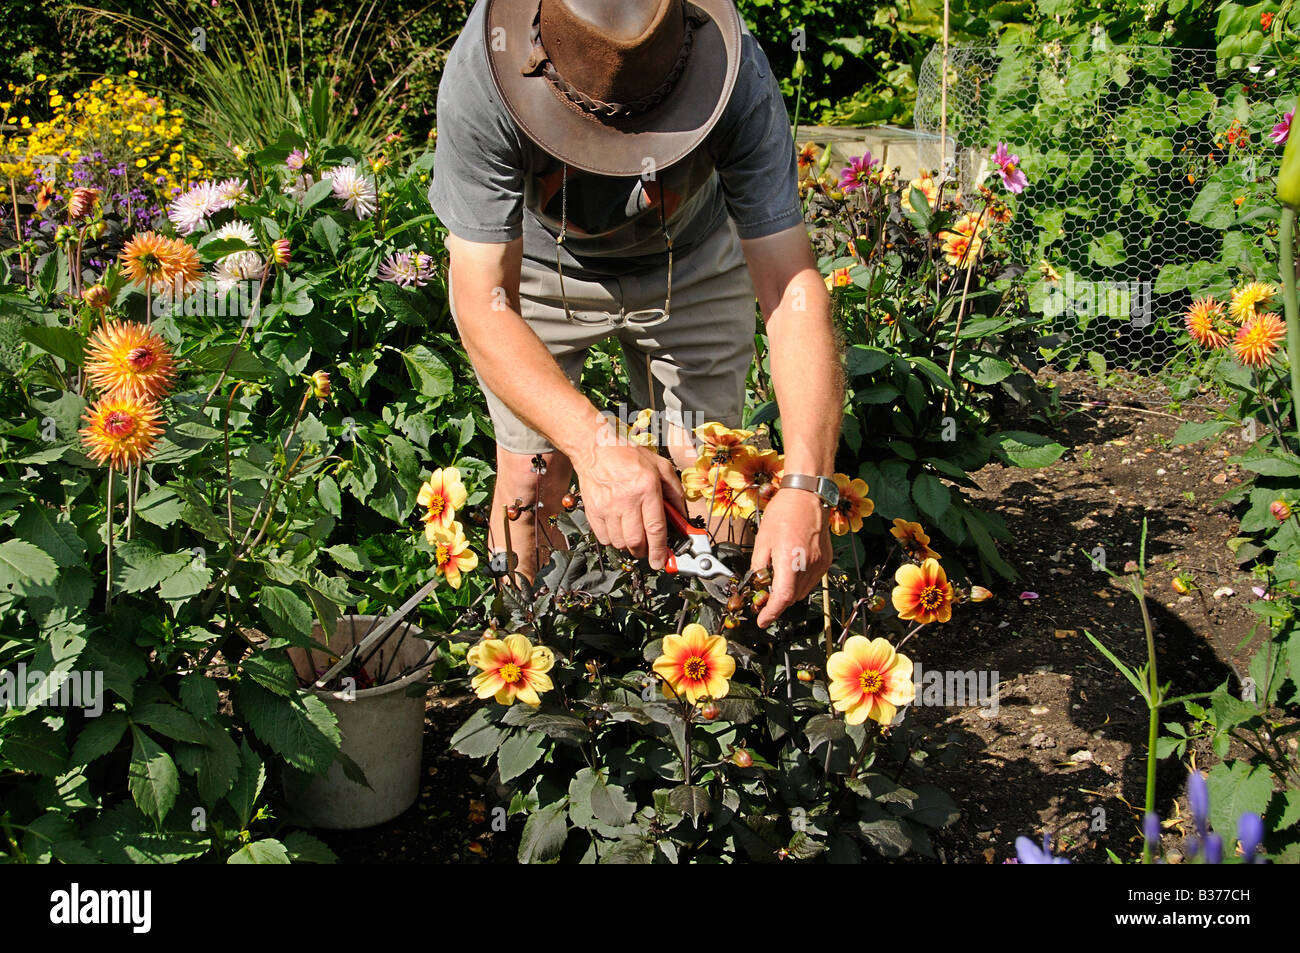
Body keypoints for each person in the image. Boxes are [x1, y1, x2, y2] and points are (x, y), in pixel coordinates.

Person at [428, 0, 842, 625]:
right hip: (540, 266)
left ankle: (710, 659)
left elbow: (792, 287)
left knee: (712, 471)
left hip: (691, 256)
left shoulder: (738, 76)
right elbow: (485, 305)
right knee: (530, 481)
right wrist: (595, 449)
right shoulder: (483, 75)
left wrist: (808, 485)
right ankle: (530, 651)